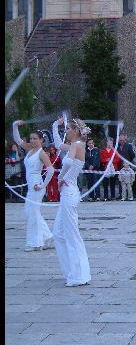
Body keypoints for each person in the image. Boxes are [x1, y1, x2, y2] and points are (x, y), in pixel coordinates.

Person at [51, 116, 91, 287]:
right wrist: (55, 125)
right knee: (58, 233)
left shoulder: (77, 145)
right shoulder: (73, 145)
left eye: (68, 128)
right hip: (67, 191)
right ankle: (71, 271)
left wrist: (62, 178)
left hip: (70, 192)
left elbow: (68, 162)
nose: (65, 131)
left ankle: (79, 275)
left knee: (71, 234)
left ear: (75, 131)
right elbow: (58, 145)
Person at [12, 121, 55, 251]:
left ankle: (35, 243)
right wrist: (15, 125)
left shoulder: (42, 153)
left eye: (35, 138)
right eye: (31, 138)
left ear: (41, 140)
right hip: (31, 185)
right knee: (31, 212)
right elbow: (18, 140)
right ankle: (47, 236)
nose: (32, 141)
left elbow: (51, 170)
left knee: (32, 213)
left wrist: (42, 186)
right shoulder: (29, 149)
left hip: (36, 185)